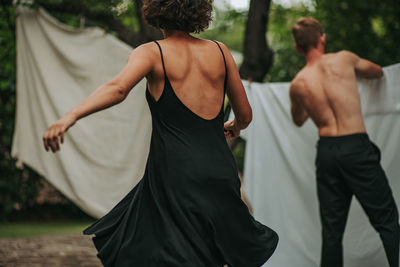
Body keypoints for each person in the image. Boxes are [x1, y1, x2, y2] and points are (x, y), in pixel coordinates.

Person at [42, 0, 278, 266]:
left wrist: (71, 116)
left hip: (175, 174)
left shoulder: (152, 53)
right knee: (208, 255)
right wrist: (234, 126)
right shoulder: (221, 52)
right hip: (220, 171)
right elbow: (245, 116)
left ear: (156, 10)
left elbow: (119, 89)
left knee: (171, 256)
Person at [289, 17, 400, 267]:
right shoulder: (344, 59)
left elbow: (298, 119)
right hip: (356, 147)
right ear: (322, 39)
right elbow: (377, 71)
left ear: (298, 48)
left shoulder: (298, 84)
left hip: (327, 152)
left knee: (332, 232)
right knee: (387, 221)